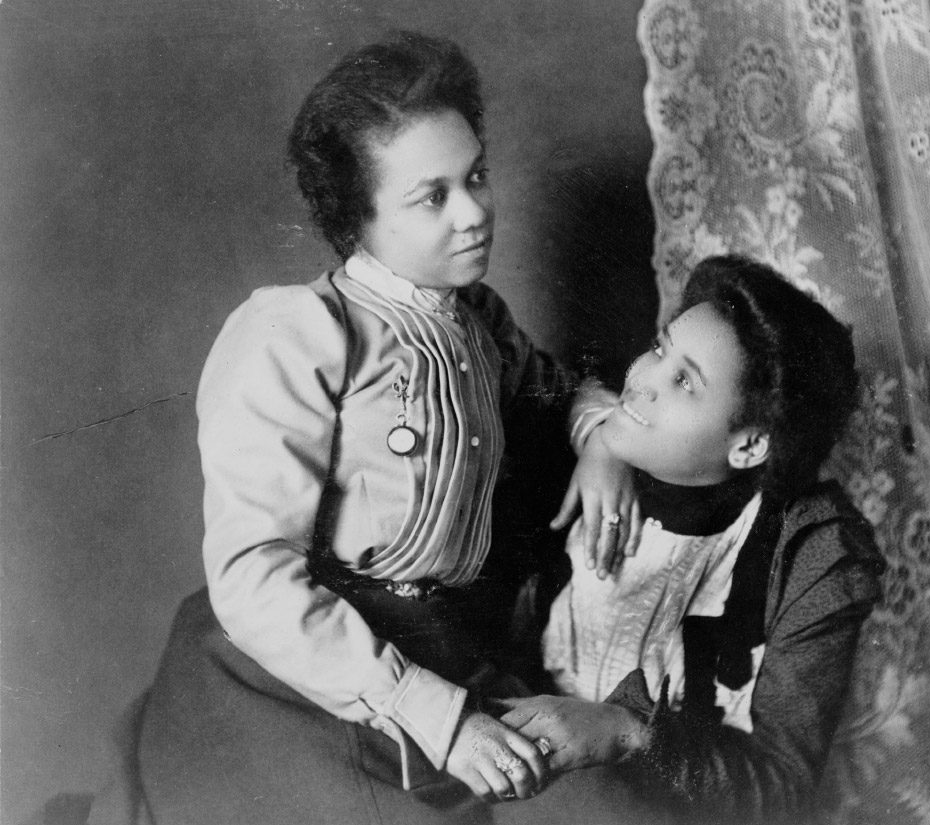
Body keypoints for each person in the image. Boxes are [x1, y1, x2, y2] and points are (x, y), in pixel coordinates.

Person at [87, 31, 631, 825]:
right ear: (358, 215)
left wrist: (606, 437)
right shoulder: (298, 334)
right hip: (298, 677)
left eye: (476, 174)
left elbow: (556, 391)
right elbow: (255, 576)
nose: (476, 211)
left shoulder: (476, 318)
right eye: (432, 196)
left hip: (443, 644)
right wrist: (438, 717)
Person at [495, 255, 886, 824]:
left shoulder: (811, 553)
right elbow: (559, 391)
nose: (643, 382)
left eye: (684, 381)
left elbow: (782, 786)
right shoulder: (614, 433)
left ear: (750, 447)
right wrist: (603, 443)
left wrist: (628, 733)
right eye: (658, 349)